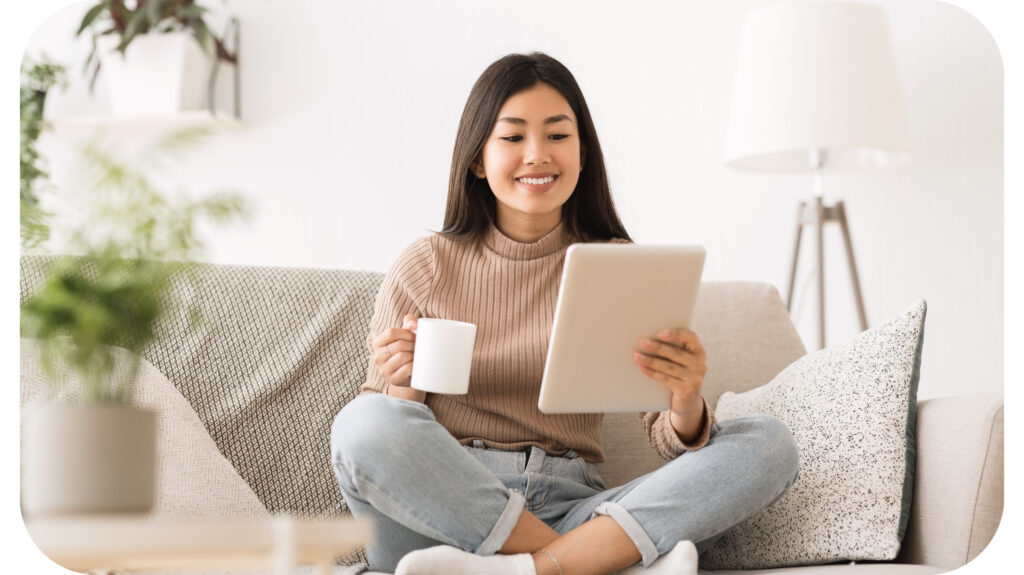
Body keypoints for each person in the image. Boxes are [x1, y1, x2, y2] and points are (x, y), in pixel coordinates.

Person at [331, 52, 799, 575]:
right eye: (512, 138)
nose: (537, 155)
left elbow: (670, 438)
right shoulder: (424, 266)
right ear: (477, 159)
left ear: (582, 155)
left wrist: (685, 399)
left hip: (571, 503)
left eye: (557, 136)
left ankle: (539, 566)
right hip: (442, 515)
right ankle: (585, 561)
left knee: (767, 445)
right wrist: (404, 384)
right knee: (362, 422)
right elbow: (380, 443)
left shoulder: (615, 265)